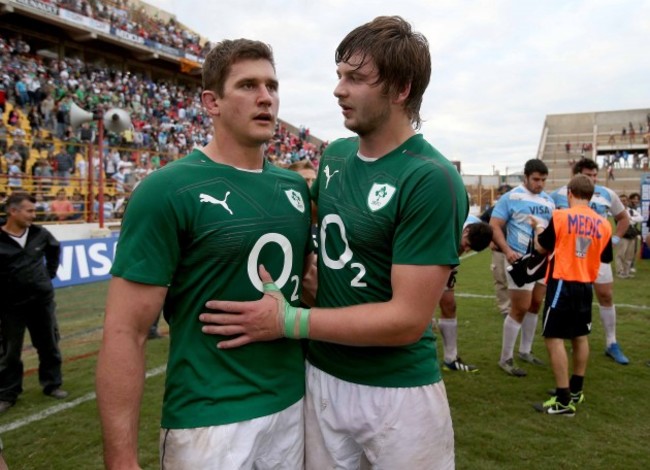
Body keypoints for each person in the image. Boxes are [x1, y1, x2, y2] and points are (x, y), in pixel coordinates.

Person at [200, 16, 466, 468]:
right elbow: (320, 234)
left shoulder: (430, 178)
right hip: (321, 376)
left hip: (398, 392)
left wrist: (289, 322)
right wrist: (308, 269)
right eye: (339, 75)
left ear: (400, 89)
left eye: (356, 79)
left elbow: (406, 319)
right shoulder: (336, 156)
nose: (339, 90)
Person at [96, 39, 312, 469]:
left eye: (271, 85)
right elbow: (126, 332)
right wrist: (121, 460)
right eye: (248, 85)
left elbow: (306, 289)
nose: (265, 97)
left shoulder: (295, 189)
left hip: (294, 406)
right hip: (208, 423)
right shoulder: (165, 190)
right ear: (211, 102)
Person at [530, 175, 612, 416]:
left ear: (570, 193)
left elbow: (541, 247)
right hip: (586, 284)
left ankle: (564, 400)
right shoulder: (604, 224)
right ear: (591, 195)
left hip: (563, 281)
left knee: (553, 337)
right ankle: (576, 389)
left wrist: (538, 228)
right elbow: (605, 257)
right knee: (579, 335)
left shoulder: (560, 216)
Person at [550, 158, 630, 365]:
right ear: (576, 176)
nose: (593, 180)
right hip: (569, 257)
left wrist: (614, 239)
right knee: (572, 296)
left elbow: (623, 218)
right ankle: (571, 337)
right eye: (588, 176)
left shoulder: (607, 194)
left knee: (605, 294)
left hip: (596, 254)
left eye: (595, 175)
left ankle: (612, 342)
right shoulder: (559, 194)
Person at [0, 192, 68, 414]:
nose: (33, 215)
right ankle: (8, 393)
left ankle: (52, 384)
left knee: (48, 343)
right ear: (13, 211)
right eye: (29, 211)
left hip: (41, 301)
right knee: (10, 351)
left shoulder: (40, 233)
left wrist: (48, 275)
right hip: (10, 305)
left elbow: (54, 249)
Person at [490, 159, 555, 377]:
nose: (540, 184)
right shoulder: (510, 198)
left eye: (543, 180)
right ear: (525, 177)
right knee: (519, 307)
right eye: (536, 179)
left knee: (536, 304)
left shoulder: (549, 201)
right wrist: (507, 250)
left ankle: (525, 351)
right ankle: (505, 358)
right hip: (520, 259)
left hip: (542, 260)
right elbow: (495, 226)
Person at [438, 215, 493, 372]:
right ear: (465, 231)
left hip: (444, 263)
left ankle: (450, 359)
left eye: (471, 249)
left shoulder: (474, 228)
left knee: (449, 306)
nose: (467, 250)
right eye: (467, 245)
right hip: (423, 262)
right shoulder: (448, 225)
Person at [480, 184, 513, 316]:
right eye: (501, 194)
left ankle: (517, 307)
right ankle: (505, 308)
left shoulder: (518, 208)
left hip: (516, 250)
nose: (502, 196)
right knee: (500, 279)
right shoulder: (494, 210)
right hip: (499, 251)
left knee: (516, 280)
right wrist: (489, 240)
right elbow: (480, 223)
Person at [615, 193, 643, 278]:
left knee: (629, 255)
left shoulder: (631, 211)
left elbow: (640, 218)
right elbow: (622, 221)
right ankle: (620, 271)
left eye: (625, 200)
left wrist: (630, 218)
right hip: (622, 235)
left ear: (627, 201)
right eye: (621, 201)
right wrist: (630, 219)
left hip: (631, 235)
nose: (623, 202)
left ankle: (626, 272)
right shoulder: (617, 211)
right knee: (620, 254)